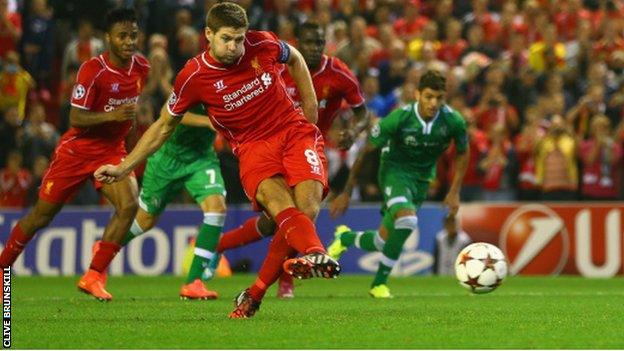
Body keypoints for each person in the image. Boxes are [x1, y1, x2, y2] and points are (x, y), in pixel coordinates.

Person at [93, 2, 340, 318]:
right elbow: (163, 125)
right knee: (282, 211)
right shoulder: (194, 76)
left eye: (239, 39)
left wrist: (311, 110)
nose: (234, 47)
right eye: (226, 39)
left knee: (308, 207)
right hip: (252, 149)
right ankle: (294, 268)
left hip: (293, 131)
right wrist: (125, 166)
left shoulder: (261, 43)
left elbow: (294, 57)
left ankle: (286, 273)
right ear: (208, 34)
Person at [0, 8, 149, 302]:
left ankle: (93, 275)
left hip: (111, 151)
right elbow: (76, 119)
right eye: (122, 36)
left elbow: (129, 117)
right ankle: (3, 267)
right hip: (76, 151)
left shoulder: (141, 67)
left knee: (129, 205)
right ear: (108, 38)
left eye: (133, 35)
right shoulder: (93, 70)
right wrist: (112, 115)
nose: (129, 41)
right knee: (41, 216)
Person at [215, 21, 369, 299]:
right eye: (308, 43)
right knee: (275, 221)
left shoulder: (338, 73)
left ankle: (281, 279)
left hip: (308, 146)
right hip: (274, 147)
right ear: (298, 42)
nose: (313, 49)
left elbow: (362, 112)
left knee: (301, 213)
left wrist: (354, 131)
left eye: (318, 44)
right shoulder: (278, 67)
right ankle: (222, 246)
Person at [328, 70, 469, 298]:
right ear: (417, 95)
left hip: (422, 180)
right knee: (407, 219)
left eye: (439, 98)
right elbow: (365, 152)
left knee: (381, 241)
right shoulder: (398, 118)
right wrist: (347, 191)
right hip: (394, 172)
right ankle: (379, 284)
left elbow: (463, 152)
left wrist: (455, 191)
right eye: (429, 96)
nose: (434, 103)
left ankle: (344, 238)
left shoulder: (453, 121)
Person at [105, 105, 226, 300]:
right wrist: (209, 122)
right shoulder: (195, 79)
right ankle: (106, 249)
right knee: (145, 220)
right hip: (169, 158)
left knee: (217, 209)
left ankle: (194, 282)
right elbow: (167, 113)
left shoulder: (233, 85)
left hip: (201, 158)